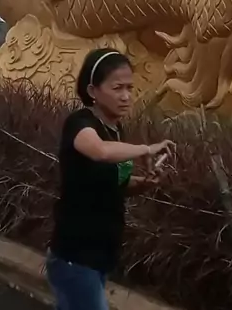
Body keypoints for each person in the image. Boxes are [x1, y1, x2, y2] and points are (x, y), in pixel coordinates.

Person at [47, 48, 173, 310]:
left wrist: (144, 183)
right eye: (117, 88)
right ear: (93, 91)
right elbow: (100, 151)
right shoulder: (80, 124)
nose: (126, 96)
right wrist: (146, 149)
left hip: (100, 255)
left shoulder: (116, 131)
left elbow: (117, 185)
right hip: (75, 256)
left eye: (130, 88)